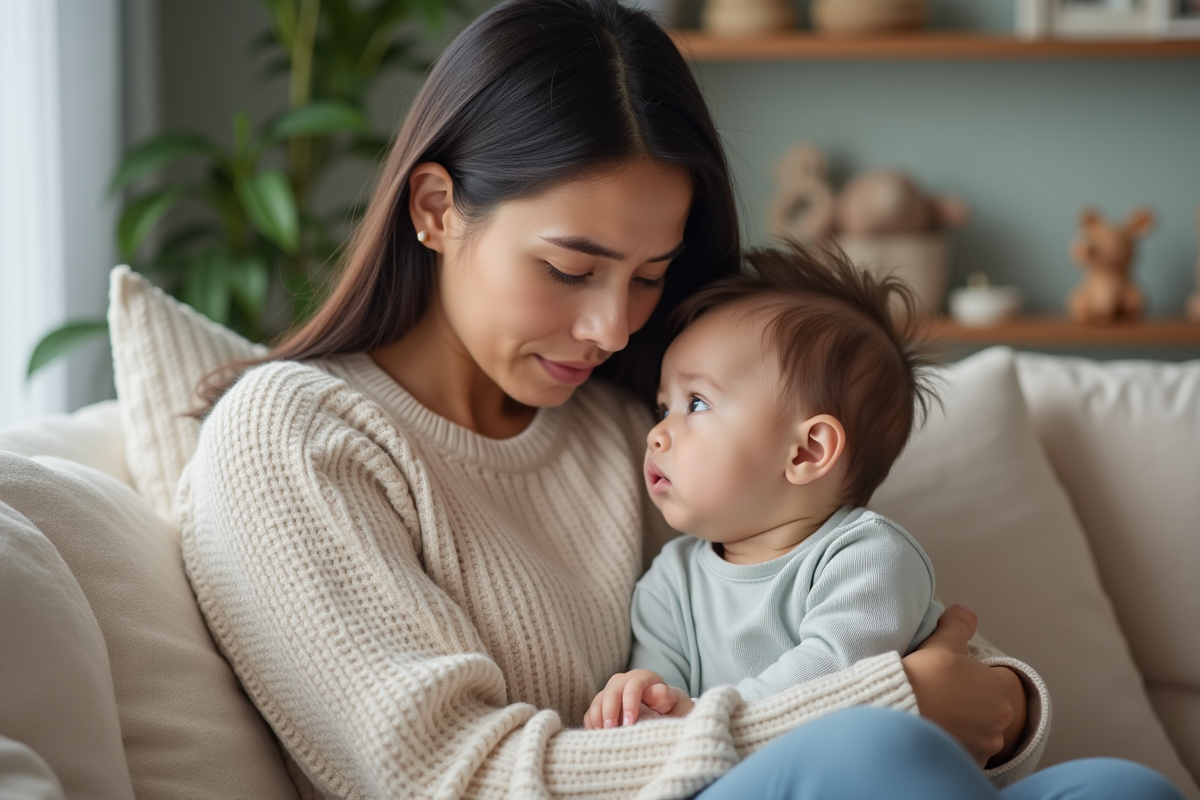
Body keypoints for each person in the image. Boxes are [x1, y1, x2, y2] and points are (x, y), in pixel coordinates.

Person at [179, 0, 1183, 797]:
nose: (615, 327)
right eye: (571, 266)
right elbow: (454, 777)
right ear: (438, 210)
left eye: (651, 273)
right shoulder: (293, 438)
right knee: (880, 759)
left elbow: (898, 635)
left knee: (1115, 786)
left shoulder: (630, 423)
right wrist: (891, 700)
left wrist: (1002, 703)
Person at [584, 243, 946, 730]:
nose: (657, 433)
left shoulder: (867, 556)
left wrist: (706, 716)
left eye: (695, 404)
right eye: (662, 407)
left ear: (806, 452)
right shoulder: (670, 582)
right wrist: (640, 696)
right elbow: (661, 711)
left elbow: (833, 678)